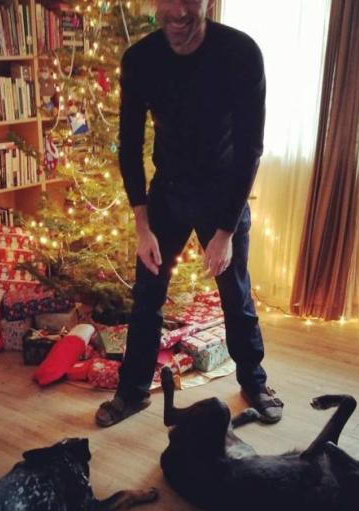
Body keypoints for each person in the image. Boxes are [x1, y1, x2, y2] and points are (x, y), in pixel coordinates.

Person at [95, 0, 283, 426]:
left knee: (235, 295)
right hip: (168, 194)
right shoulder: (140, 59)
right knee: (147, 297)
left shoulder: (241, 53)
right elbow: (129, 146)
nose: (178, 12)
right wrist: (142, 225)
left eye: (189, 1)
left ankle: (254, 382)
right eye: (168, 0)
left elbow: (250, 148)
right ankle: (132, 392)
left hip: (224, 195)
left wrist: (225, 232)